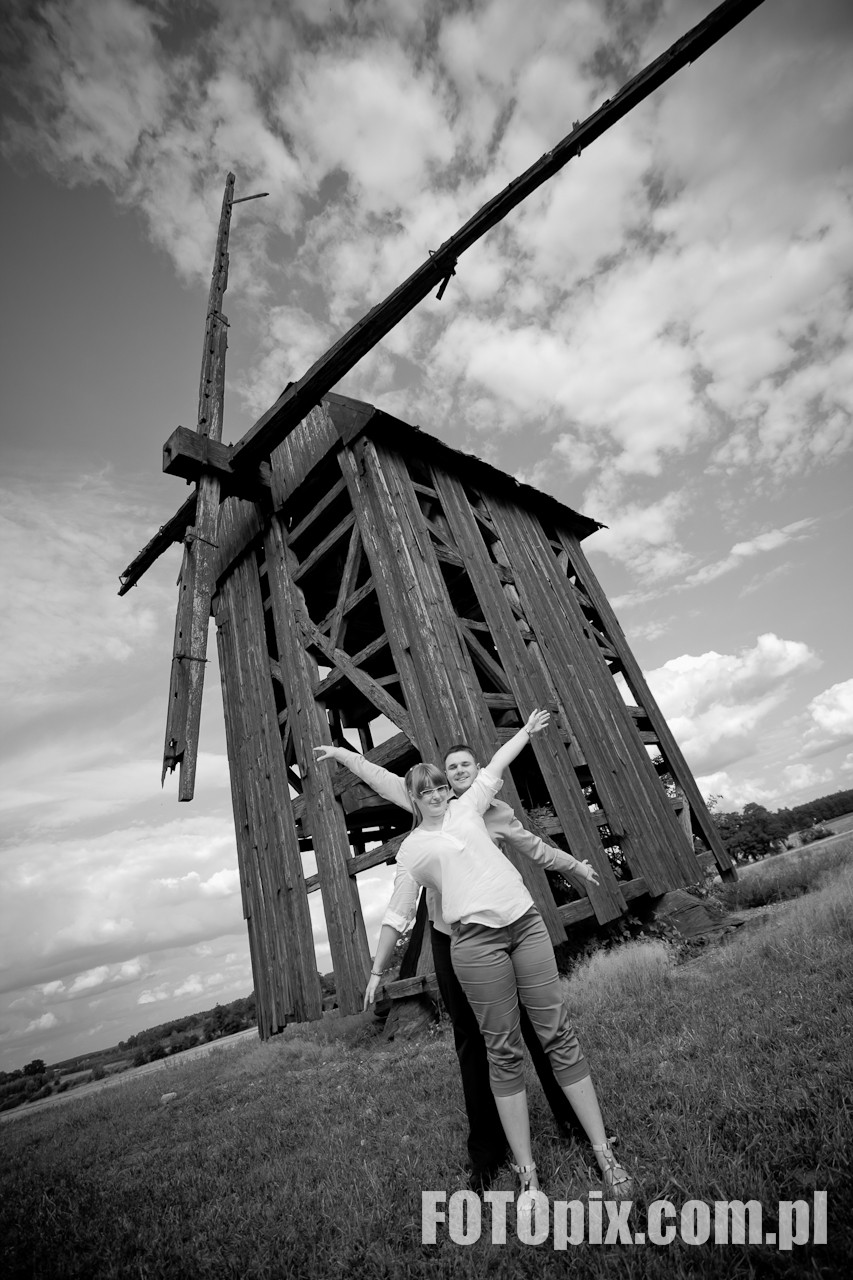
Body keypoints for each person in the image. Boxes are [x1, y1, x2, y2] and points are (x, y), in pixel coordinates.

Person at [313, 711, 632, 1202]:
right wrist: (343, 756)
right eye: (432, 786)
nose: (442, 790)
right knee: (488, 1045)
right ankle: (515, 1168)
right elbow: (398, 914)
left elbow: (524, 824)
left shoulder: (475, 806)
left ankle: (596, 1144)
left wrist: (525, 732)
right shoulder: (415, 847)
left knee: (552, 1032)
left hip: (522, 924)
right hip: (464, 938)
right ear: (415, 797)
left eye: (450, 780)